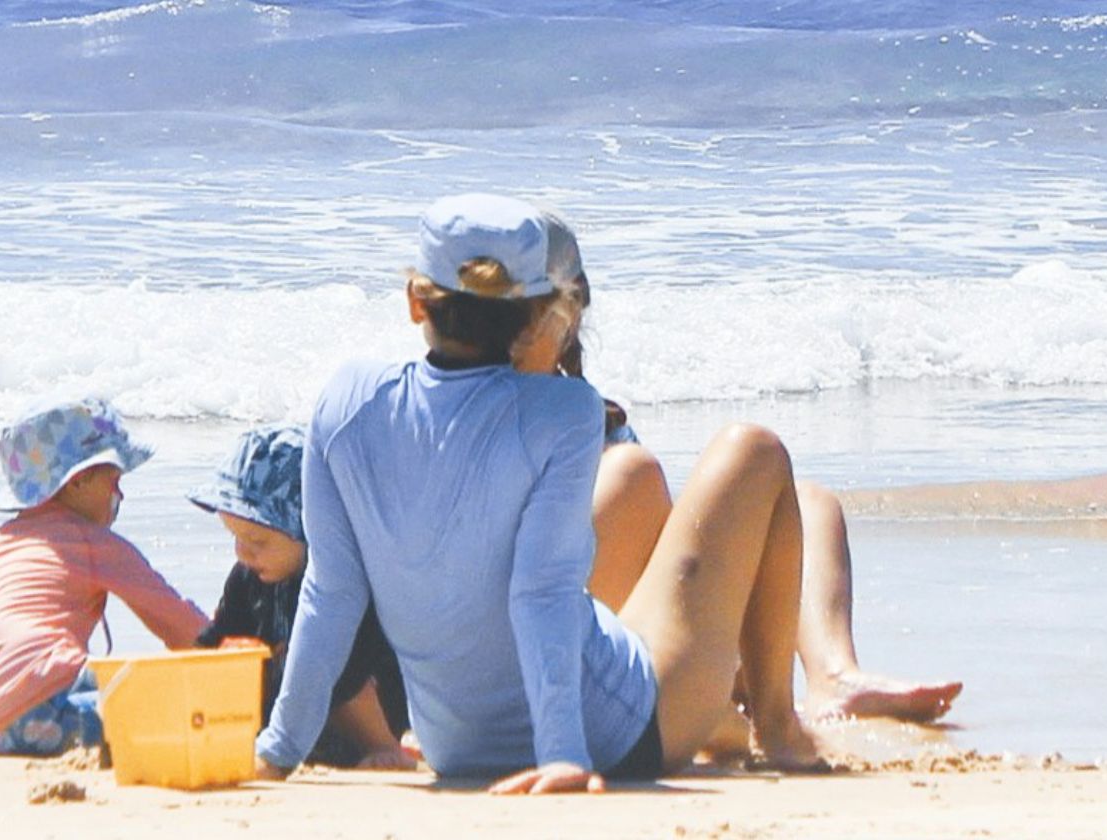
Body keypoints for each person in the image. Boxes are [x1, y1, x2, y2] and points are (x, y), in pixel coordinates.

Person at [255, 194, 826, 794]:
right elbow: (541, 590)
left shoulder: (346, 402)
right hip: (618, 737)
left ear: (415, 301)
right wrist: (563, 754)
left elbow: (332, 591)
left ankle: (728, 722)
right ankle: (778, 727)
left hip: (455, 749)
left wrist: (278, 749)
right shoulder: (564, 410)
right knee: (753, 450)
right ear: (537, 316)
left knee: (619, 549)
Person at [555, 326, 964, 727]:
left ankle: (835, 674)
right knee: (648, 476)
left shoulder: (599, 419)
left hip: (656, 615)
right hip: (608, 643)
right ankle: (761, 702)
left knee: (809, 503)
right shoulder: (570, 434)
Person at [0, 396, 211, 757]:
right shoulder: (88, 541)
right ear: (78, 481)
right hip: (45, 709)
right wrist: (225, 656)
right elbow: (173, 618)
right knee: (172, 700)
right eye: (114, 481)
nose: (120, 494)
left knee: (104, 679)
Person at [189, 423, 415, 770]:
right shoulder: (247, 578)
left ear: (310, 530)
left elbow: (364, 655)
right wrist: (226, 651)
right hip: (290, 708)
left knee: (325, 661)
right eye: (235, 536)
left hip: (362, 693)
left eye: (258, 541)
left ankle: (384, 747)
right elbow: (210, 643)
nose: (243, 553)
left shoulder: (340, 582)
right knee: (228, 671)